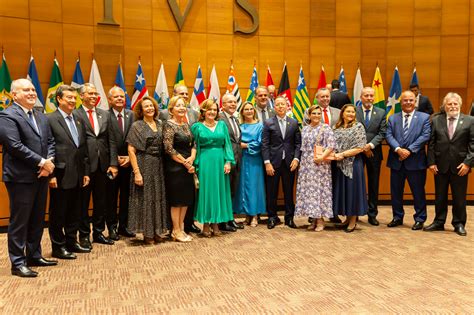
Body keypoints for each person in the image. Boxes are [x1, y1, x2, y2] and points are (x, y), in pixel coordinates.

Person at [0, 79, 56, 277]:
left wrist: (48, 164)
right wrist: (42, 162)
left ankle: (34, 255)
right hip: (20, 177)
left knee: (37, 219)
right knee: (20, 221)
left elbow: (50, 141)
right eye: (26, 90)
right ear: (14, 95)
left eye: (33, 89)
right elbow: (14, 146)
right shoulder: (7, 116)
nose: (32, 93)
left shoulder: (40, 115)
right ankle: (18, 262)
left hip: (41, 175)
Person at [47, 85, 90, 260]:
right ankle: (58, 246)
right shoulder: (49, 119)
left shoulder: (79, 118)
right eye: (69, 98)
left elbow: (83, 147)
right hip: (60, 174)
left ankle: (72, 242)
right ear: (59, 99)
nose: (73, 101)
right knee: (59, 212)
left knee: (75, 210)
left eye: (74, 98)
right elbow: (47, 147)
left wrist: (86, 172)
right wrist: (51, 174)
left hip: (79, 173)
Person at [74, 83, 118, 248]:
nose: (93, 96)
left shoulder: (104, 114)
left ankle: (99, 232)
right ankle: (84, 235)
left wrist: (113, 163)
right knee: (83, 203)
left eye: (95, 93)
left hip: (103, 166)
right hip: (84, 166)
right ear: (82, 96)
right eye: (90, 94)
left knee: (101, 201)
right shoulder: (76, 114)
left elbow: (111, 140)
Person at [425, 92, 473, 236]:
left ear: (460, 105)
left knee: (459, 197)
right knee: (440, 196)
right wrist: (431, 162)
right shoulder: (436, 120)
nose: (452, 106)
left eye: (455, 104)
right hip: (440, 165)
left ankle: (458, 223)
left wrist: (468, 164)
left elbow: (473, 144)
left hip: (461, 167)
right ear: (444, 106)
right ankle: (439, 222)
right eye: (449, 104)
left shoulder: (470, 120)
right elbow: (431, 143)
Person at [159, 84, 201, 235]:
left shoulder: (186, 124)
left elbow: (194, 143)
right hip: (175, 167)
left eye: (183, 106)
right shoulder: (169, 125)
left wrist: (192, 158)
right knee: (177, 202)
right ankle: (175, 230)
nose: (182, 108)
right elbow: (169, 149)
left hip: (188, 166)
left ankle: (181, 228)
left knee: (186, 200)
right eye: (178, 106)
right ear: (171, 109)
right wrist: (185, 163)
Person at [386, 91, 431, 230]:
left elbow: (425, 136)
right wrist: (398, 149)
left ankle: (420, 218)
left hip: (416, 162)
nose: (408, 102)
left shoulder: (424, 118)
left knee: (418, 192)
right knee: (396, 192)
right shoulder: (392, 118)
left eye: (411, 100)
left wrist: (409, 150)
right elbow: (388, 135)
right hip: (396, 160)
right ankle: (397, 217)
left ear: (415, 102)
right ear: (401, 102)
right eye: (405, 100)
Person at [191, 99, 235, 237]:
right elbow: (194, 147)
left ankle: (216, 223)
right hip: (205, 162)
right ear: (203, 111)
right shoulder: (197, 127)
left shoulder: (222, 125)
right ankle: (205, 224)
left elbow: (227, 144)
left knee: (219, 192)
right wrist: (195, 164)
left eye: (215, 110)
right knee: (207, 192)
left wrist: (228, 161)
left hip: (220, 161)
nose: (212, 112)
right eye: (209, 109)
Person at [127, 96, 168, 244]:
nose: (150, 108)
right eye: (146, 106)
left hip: (159, 165)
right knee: (146, 199)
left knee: (157, 198)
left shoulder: (160, 123)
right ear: (141, 110)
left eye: (151, 106)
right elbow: (131, 150)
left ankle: (157, 231)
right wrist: (137, 172)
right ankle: (147, 234)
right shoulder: (137, 126)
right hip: (144, 164)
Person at [262, 96, 301, 229]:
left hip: (290, 163)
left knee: (289, 191)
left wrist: (296, 159)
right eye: (277, 104)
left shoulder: (294, 122)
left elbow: (298, 143)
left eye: (282, 104)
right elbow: (265, 144)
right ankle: (272, 217)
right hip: (273, 163)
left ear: (287, 106)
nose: (280, 107)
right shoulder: (268, 123)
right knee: (271, 191)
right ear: (274, 107)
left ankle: (289, 218)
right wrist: (267, 162)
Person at [295, 105, 336, 231]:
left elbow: (331, 146)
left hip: (320, 165)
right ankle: (312, 219)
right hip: (306, 165)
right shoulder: (305, 129)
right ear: (309, 115)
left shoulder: (325, 128)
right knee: (308, 192)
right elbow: (302, 147)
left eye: (319, 113)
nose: (317, 116)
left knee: (319, 191)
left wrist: (322, 157)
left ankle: (320, 220)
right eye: (314, 113)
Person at [332, 104, 368, 232]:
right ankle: (347, 219)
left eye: (353, 112)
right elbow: (331, 144)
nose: (351, 114)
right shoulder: (336, 127)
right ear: (342, 113)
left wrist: (342, 154)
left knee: (353, 191)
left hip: (353, 164)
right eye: (348, 111)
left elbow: (360, 147)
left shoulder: (358, 127)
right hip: (339, 165)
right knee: (344, 191)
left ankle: (353, 221)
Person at [355, 87, 387, 226]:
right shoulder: (354, 111)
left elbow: (382, 132)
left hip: (374, 152)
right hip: (356, 153)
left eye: (371, 96)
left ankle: (372, 214)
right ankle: (354, 213)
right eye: (366, 95)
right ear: (361, 97)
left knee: (373, 184)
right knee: (356, 183)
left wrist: (370, 146)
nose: (369, 98)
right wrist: (363, 146)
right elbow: (350, 129)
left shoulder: (381, 112)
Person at [108, 86, 136, 239]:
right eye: (116, 97)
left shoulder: (132, 115)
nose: (120, 99)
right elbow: (107, 141)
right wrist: (115, 160)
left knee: (127, 197)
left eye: (122, 96)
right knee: (111, 197)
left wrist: (129, 158)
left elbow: (136, 138)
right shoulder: (105, 116)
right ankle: (112, 228)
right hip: (112, 164)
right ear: (109, 100)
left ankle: (124, 226)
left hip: (129, 163)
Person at [233, 101, 266, 227]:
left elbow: (260, 143)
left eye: (251, 109)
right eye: (246, 109)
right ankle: (247, 214)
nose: (249, 111)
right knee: (242, 187)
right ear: (242, 112)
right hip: (241, 159)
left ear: (254, 111)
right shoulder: (239, 126)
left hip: (254, 159)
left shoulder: (259, 126)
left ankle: (255, 216)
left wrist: (245, 145)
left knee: (254, 187)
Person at [218, 93, 244, 232]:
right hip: (225, 160)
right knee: (225, 191)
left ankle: (230, 218)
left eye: (234, 102)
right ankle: (223, 222)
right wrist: (226, 160)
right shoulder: (220, 119)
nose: (233, 104)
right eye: (229, 102)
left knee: (232, 191)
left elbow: (236, 140)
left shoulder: (235, 119)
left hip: (237, 159)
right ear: (223, 104)